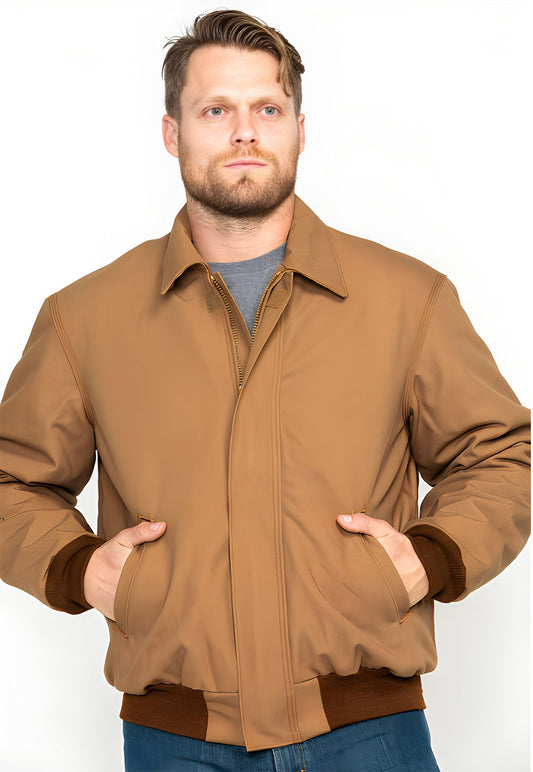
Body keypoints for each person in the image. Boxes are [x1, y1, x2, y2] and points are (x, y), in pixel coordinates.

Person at [0, 8, 529, 772]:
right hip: (175, 741)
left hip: (369, 733)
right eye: (215, 110)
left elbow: (501, 455)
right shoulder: (86, 319)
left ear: (299, 130)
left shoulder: (406, 300)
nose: (244, 131)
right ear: (172, 132)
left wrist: (432, 556)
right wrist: (75, 568)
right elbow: (11, 479)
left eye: (267, 109)